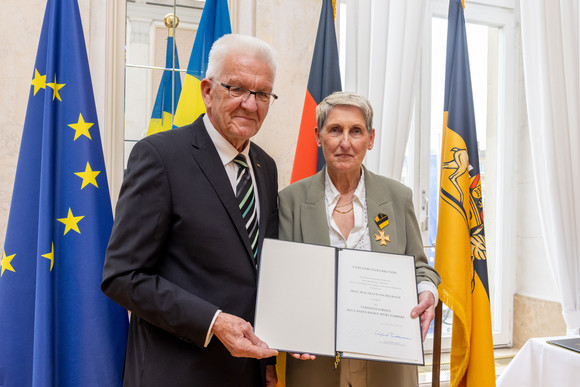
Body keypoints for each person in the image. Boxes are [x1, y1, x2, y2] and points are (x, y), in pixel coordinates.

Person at [101, 34, 280, 387]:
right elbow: (122, 276)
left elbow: (261, 271)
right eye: (237, 88)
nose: (250, 104)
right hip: (177, 372)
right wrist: (212, 321)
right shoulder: (160, 157)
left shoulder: (265, 166)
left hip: (248, 374)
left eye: (262, 94)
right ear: (207, 90)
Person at [278, 92, 441, 387]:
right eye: (335, 130)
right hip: (316, 364)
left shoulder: (397, 197)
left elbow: (420, 267)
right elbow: (282, 280)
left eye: (356, 131)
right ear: (318, 137)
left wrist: (427, 291)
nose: (345, 142)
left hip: (387, 363)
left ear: (371, 138)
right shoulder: (290, 201)